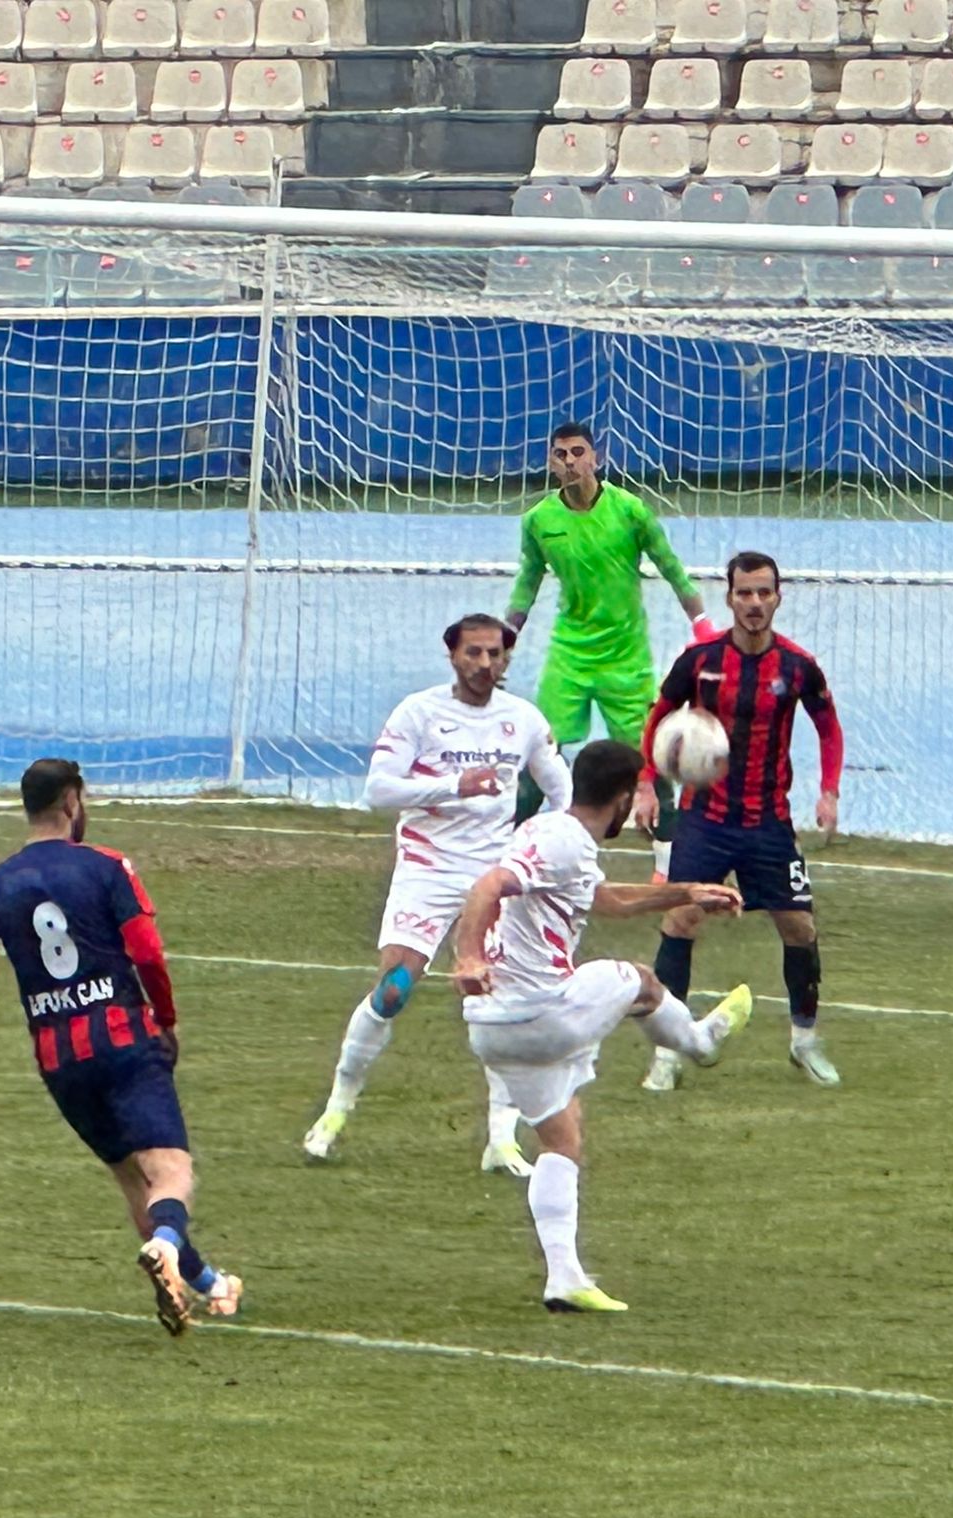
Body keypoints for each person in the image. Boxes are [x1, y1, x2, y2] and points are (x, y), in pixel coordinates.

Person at [449, 740, 753, 1313]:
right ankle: (699, 1042)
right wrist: (468, 957)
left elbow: (606, 899)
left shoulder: (553, 835)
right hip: (543, 1012)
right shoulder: (560, 839)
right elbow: (489, 885)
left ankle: (563, 1278)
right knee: (639, 980)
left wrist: (688, 892)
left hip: (493, 1029)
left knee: (561, 1140)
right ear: (622, 798)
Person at [0, 758, 239, 1335]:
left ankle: (208, 1284)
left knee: (132, 1177)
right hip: (124, 1040)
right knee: (171, 1171)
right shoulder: (106, 866)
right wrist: (167, 1019)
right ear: (71, 801)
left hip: (60, 1061)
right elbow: (147, 952)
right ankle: (165, 1247)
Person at [301, 615, 572, 1173]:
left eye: (494, 654)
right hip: (427, 869)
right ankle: (334, 1112)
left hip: (491, 874)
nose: (484, 664)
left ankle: (501, 1141)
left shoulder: (523, 719)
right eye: (473, 653)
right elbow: (379, 790)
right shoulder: (419, 712)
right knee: (394, 989)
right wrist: (454, 786)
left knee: (501, 1003)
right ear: (452, 656)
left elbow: (561, 791)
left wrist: (541, 842)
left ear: (506, 659)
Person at [632, 551, 845, 1092]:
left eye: (763, 593)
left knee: (799, 928)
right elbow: (658, 717)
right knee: (680, 921)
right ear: (729, 598)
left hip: (768, 824)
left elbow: (827, 726)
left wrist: (828, 792)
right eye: (744, 593)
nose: (754, 603)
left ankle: (804, 1042)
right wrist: (645, 783)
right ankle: (667, 1052)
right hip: (704, 821)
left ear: (778, 598)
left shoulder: (797, 666)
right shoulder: (699, 659)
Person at [506, 421, 720, 874]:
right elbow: (528, 580)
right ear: (551, 462)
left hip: (626, 658)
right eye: (561, 454)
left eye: (577, 452)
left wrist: (702, 625)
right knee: (540, 750)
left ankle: (669, 865)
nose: (570, 462)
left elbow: (671, 567)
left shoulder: (630, 511)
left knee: (649, 760)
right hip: (570, 654)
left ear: (595, 458)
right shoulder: (539, 521)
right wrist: (507, 634)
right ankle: (504, 856)